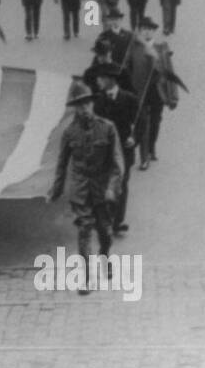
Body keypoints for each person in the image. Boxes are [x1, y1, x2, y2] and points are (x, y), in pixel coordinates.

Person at [47, 80, 124, 295]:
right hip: (81, 191)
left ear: (92, 104)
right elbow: (62, 165)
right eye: (79, 105)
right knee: (84, 231)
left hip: (103, 190)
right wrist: (56, 190)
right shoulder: (69, 133)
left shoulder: (108, 128)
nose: (84, 109)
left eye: (86, 104)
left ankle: (105, 255)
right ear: (74, 108)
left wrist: (111, 188)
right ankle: (88, 278)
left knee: (105, 232)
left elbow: (118, 164)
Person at [127, 17, 187, 168]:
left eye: (150, 29)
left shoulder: (161, 48)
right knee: (144, 123)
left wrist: (173, 96)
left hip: (157, 92)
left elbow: (169, 73)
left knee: (155, 122)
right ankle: (145, 154)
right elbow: (128, 70)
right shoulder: (134, 48)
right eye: (144, 29)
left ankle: (151, 147)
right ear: (140, 31)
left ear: (154, 31)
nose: (147, 32)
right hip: (140, 92)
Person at [91, 62, 139, 235]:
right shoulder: (98, 101)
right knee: (104, 183)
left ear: (110, 80)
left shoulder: (129, 99)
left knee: (122, 183)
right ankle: (106, 219)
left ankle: (117, 221)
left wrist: (135, 138)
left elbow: (141, 122)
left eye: (101, 78)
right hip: (105, 151)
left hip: (125, 150)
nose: (98, 81)